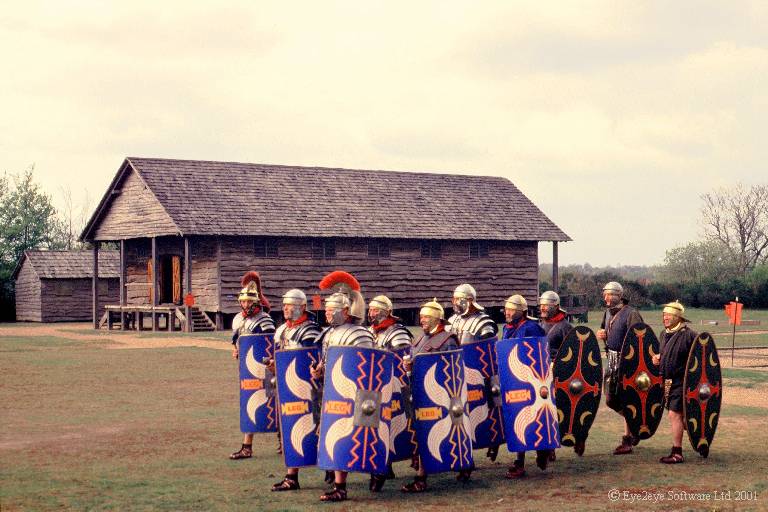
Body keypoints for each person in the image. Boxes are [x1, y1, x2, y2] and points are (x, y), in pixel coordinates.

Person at [312, 271, 375, 503]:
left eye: (332, 310)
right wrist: (319, 369)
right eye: (327, 310)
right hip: (333, 393)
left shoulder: (360, 334)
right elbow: (327, 361)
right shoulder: (328, 334)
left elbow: (368, 369)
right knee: (336, 434)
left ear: (346, 311)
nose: (327, 314)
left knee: (362, 437)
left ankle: (378, 471)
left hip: (356, 396)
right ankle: (340, 486)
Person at [401, 298, 459, 493]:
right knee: (420, 434)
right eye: (421, 317)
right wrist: (409, 366)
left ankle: (421, 477)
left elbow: (451, 371)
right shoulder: (418, 339)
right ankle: (422, 472)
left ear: (436, 319)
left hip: (438, 397)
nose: (422, 320)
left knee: (434, 434)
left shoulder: (448, 340)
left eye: (426, 317)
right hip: (418, 392)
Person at [270, 289, 322, 492]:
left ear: (301, 307)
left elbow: (316, 359)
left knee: (316, 429)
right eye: (284, 305)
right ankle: (292, 477)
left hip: (310, 390)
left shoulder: (311, 331)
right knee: (292, 429)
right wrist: (274, 365)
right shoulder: (282, 330)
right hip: (289, 390)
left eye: (289, 305)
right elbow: (280, 357)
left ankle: (330, 469)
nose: (285, 308)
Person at [447, 283, 499, 463]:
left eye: (457, 299)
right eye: (453, 299)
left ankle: (494, 441)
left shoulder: (483, 322)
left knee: (488, 409)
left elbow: (488, 350)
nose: (454, 302)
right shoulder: (452, 320)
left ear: (468, 301)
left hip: (480, 376)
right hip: (457, 374)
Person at [367, 294, 413, 492]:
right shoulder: (369, 332)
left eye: (375, 310)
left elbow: (402, 362)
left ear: (386, 311)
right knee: (376, 428)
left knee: (400, 426)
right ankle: (383, 467)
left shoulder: (398, 333)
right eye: (370, 310)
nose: (371, 313)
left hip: (395, 388)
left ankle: (415, 466)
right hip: (374, 387)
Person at [230, 271, 275, 461]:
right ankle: (247, 447)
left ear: (256, 302)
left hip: (267, 371)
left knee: (275, 404)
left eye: (249, 302)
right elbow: (236, 340)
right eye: (243, 302)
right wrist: (235, 350)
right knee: (249, 403)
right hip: (248, 371)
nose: (246, 305)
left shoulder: (265, 321)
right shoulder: (239, 320)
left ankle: (284, 441)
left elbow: (271, 345)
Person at [596, 281, 645, 456]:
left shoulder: (631, 314)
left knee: (626, 399)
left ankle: (627, 438)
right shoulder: (607, 313)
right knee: (611, 400)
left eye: (608, 294)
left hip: (627, 364)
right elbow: (606, 333)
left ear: (618, 295)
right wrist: (602, 334)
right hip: (612, 360)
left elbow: (640, 339)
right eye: (604, 294)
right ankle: (635, 425)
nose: (605, 297)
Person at [501, 294, 546, 479]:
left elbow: (539, 353)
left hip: (532, 380)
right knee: (516, 418)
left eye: (511, 309)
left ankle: (543, 448)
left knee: (535, 417)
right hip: (512, 381)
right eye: (507, 309)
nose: (507, 312)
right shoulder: (506, 328)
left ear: (521, 311)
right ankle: (520, 461)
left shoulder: (531, 327)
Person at [652, 300, 697, 464]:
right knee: (681, 418)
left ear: (678, 316)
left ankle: (677, 453)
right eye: (664, 314)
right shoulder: (664, 334)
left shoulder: (689, 335)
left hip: (683, 381)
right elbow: (665, 354)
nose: (665, 317)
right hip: (667, 381)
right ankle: (698, 434)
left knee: (674, 414)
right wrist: (658, 358)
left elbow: (700, 358)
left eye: (669, 314)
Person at [536, 290, 572, 468]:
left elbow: (572, 352)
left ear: (556, 306)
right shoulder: (539, 325)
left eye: (547, 305)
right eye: (541, 304)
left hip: (557, 374)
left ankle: (552, 446)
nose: (543, 307)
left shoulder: (564, 326)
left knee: (554, 411)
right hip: (538, 374)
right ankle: (546, 445)